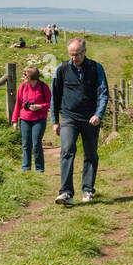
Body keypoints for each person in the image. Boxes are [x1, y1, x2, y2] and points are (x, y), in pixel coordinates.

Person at [51, 37, 107, 205]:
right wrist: (55, 120)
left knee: (91, 154)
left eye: (77, 54)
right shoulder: (61, 69)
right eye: (71, 55)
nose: (73, 58)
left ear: (85, 52)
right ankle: (66, 192)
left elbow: (103, 93)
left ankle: (88, 190)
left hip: (91, 119)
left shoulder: (96, 68)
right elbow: (55, 95)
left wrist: (99, 114)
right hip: (69, 117)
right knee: (67, 150)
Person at [11, 65, 51, 173]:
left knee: (36, 144)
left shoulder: (43, 87)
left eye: (25, 74)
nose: (23, 76)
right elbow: (18, 104)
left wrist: (39, 106)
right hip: (24, 119)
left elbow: (50, 103)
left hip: (39, 119)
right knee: (25, 144)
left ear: (32, 76)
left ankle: (39, 169)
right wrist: (14, 120)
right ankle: (26, 168)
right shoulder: (22, 87)